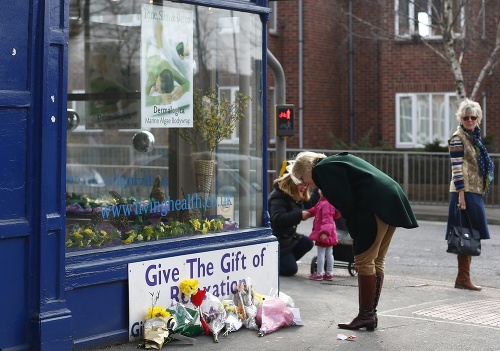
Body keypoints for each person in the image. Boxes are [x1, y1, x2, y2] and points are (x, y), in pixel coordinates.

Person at [291, 151, 418, 331]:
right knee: (377, 260)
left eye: (303, 178)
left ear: (308, 168)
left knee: (364, 260)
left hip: (373, 203)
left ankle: (366, 315)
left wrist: (355, 233)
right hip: (391, 197)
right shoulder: (334, 161)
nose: (306, 183)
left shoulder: (321, 170)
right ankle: (370, 314)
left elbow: (347, 204)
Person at [446, 98, 494, 291]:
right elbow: (456, 168)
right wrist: (461, 195)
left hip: (474, 191)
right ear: (461, 118)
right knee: (465, 234)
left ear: (478, 119)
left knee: (472, 234)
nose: (470, 120)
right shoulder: (458, 138)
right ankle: (463, 278)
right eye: (466, 117)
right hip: (463, 192)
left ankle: (462, 278)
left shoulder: (475, 138)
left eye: (473, 117)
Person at [268, 163, 319, 277]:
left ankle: (285, 260)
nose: (304, 188)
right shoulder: (278, 196)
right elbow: (278, 218)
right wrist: (299, 214)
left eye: (306, 185)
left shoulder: (294, 194)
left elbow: (310, 202)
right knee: (290, 270)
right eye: (302, 184)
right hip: (278, 241)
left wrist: (319, 187)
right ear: (292, 182)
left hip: (288, 238)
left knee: (307, 242)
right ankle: (275, 262)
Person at [307, 189, 341, 281]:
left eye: (319, 190)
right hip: (329, 232)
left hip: (324, 233)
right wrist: (309, 213)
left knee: (321, 253)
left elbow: (327, 219)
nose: (318, 191)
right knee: (329, 253)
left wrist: (325, 232)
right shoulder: (325, 202)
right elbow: (315, 209)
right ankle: (329, 273)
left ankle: (319, 273)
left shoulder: (325, 204)